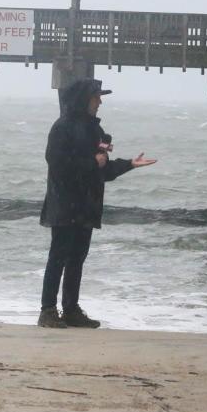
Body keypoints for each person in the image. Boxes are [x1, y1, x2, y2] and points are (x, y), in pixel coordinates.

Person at [39, 78, 156, 328]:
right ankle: (47, 310)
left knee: (77, 259)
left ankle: (71, 309)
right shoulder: (62, 127)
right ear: (84, 99)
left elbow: (103, 170)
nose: (100, 102)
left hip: (87, 205)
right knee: (58, 257)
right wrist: (93, 163)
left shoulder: (96, 131)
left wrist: (129, 165)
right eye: (96, 97)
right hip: (64, 204)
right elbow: (57, 165)